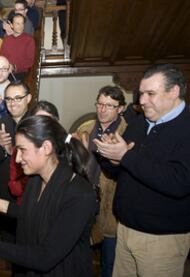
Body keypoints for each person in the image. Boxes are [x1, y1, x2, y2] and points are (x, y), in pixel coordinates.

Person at [0, 115, 97, 276]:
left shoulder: (79, 194)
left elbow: (44, 257)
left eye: (22, 149)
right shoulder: (36, 178)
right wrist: (1, 204)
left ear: (46, 148)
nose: (18, 158)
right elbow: (36, 215)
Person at [94, 64, 190, 277]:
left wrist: (125, 156)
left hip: (162, 239)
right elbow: (120, 171)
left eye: (150, 94)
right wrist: (110, 155)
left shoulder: (186, 127)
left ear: (174, 91)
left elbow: (179, 182)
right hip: (125, 229)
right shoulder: (139, 122)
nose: (142, 100)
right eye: (141, 93)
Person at [75, 86, 127, 277]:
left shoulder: (127, 132)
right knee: (81, 256)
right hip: (84, 200)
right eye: (100, 104)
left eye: (110, 105)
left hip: (112, 206)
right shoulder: (85, 128)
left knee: (110, 261)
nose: (102, 109)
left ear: (121, 108)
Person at [0, 80, 31, 246]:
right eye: (9, 99)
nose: (12, 103)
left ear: (28, 98)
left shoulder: (37, 123)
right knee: (9, 242)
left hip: (30, 192)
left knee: (29, 244)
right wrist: (2, 146)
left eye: (17, 98)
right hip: (5, 192)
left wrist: (11, 150)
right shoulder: (0, 124)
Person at [8, 100, 60, 205]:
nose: (42, 129)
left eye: (47, 123)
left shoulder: (65, 151)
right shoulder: (20, 152)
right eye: (38, 123)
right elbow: (14, 188)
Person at [0, 13, 35, 81]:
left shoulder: (29, 40)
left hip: (22, 74)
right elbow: (1, 57)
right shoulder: (6, 40)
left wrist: (14, 67)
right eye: (17, 24)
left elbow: (30, 61)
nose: (21, 26)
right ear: (12, 25)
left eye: (22, 23)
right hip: (6, 73)